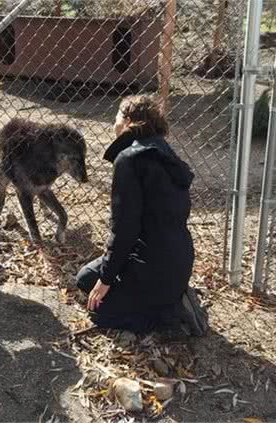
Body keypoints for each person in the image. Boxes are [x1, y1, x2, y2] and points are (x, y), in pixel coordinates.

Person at [76, 95, 209, 337]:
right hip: (179, 262)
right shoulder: (164, 152)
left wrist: (105, 280)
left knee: (97, 304)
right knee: (89, 276)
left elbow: (124, 229)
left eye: (116, 116)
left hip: (152, 265)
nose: (113, 122)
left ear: (127, 121)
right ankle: (170, 298)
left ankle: (168, 316)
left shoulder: (128, 159)